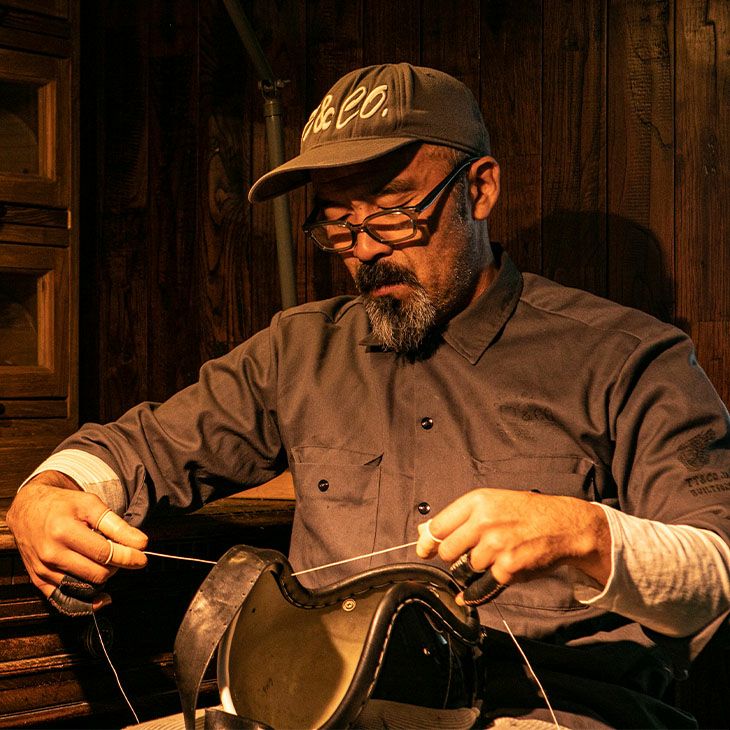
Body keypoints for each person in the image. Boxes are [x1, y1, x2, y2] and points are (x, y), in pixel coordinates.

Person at [7, 63, 730, 728]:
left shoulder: (626, 356)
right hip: (318, 708)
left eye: (392, 212)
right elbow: (136, 448)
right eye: (337, 221)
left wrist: (587, 535)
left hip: (539, 712)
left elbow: (720, 572)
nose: (366, 249)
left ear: (479, 190)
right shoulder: (299, 349)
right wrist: (47, 494)